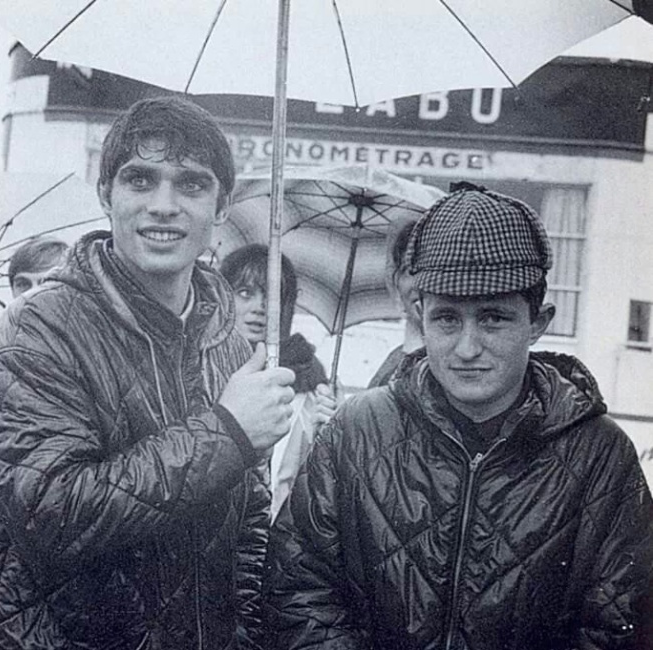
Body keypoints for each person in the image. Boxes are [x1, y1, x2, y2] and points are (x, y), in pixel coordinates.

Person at [263, 184, 653, 650]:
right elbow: (297, 591)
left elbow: (619, 625)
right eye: (448, 319)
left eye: (493, 319)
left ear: (539, 321)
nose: (468, 348)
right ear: (419, 313)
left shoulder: (600, 456)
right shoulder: (356, 431)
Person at [0, 96, 296, 650]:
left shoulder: (229, 336)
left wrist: (243, 632)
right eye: (140, 180)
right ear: (106, 194)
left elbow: (249, 516)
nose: (164, 205)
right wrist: (226, 432)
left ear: (222, 206)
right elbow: (53, 515)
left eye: (191, 184)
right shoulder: (38, 327)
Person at [220, 243, 335, 521]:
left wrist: (327, 439)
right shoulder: (199, 367)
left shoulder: (311, 380)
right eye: (245, 293)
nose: (259, 308)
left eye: (272, 296)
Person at [368, 217, 423, 388]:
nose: (419, 283)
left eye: (430, 269)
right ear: (397, 282)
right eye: (409, 270)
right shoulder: (395, 358)